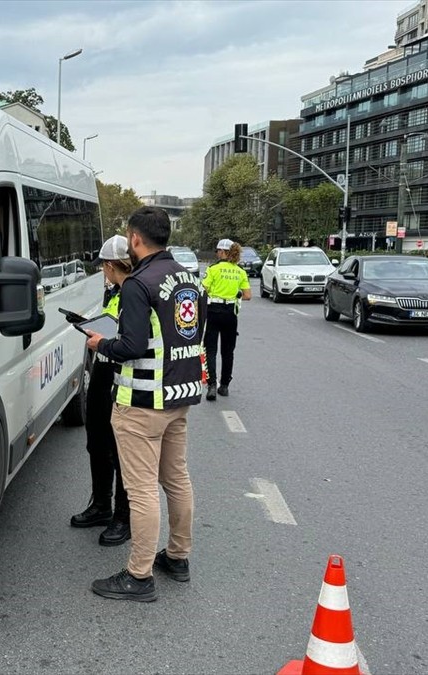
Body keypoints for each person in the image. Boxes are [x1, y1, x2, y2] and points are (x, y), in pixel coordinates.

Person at [83, 206, 205, 603]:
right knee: (177, 480)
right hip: (179, 395)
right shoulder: (189, 278)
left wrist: (101, 343)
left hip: (142, 400)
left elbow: (131, 346)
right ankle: (178, 556)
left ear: (135, 239)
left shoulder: (138, 283)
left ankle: (138, 576)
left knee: (141, 491)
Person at [68, 235, 133, 547]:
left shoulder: (136, 292)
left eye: (104, 267)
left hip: (124, 373)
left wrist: (103, 339)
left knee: (121, 448)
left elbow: (133, 338)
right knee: (96, 439)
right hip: (103, 369)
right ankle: (101, 506)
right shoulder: (116, 291)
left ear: (110, 265)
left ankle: (123, 516)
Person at [202, 239, 252, 400]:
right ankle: (224, 386)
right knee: (228, 351)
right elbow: (247, 296)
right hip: (231, 313)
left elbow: (204, 289)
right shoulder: (240, 271)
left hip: (214, 311)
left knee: (210, 349)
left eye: (218, 251)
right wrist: (235, 294)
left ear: (223, 252)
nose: (217, 253)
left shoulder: (213, 269)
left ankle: (211, 386)